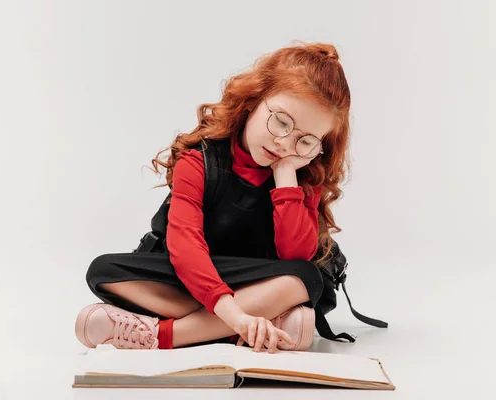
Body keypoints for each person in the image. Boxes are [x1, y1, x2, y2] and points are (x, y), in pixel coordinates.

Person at [75, 41, 353, 354]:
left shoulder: (304, 177)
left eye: (305, 140)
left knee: (305, 276)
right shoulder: (199, 161)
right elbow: (186, 248)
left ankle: (164, 335)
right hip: (193, 274)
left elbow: (293, 255)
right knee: (104, 271)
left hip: (259, 280)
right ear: (254, 100)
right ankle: (264, 322)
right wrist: (239, 316)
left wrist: (286, 175)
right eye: (281, 121)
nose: (284, 142)